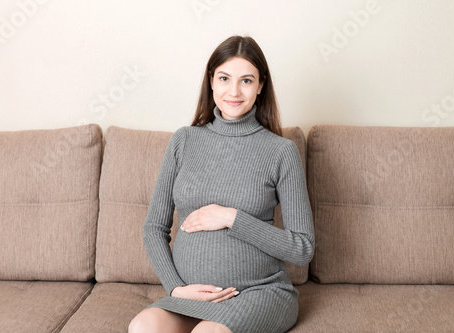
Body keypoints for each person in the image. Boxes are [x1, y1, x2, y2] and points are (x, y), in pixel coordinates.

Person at [128, 35, 315, 333]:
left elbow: (302, 247)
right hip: (192, 295)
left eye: (246, 80)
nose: (234, 91)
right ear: (211, 81)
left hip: (259, 293)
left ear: (261, 85)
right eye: (225, 78)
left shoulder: (281, 151)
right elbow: (154, 228)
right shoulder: (184, 140)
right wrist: (176, 288)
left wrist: (231, 218)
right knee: (142, 327)